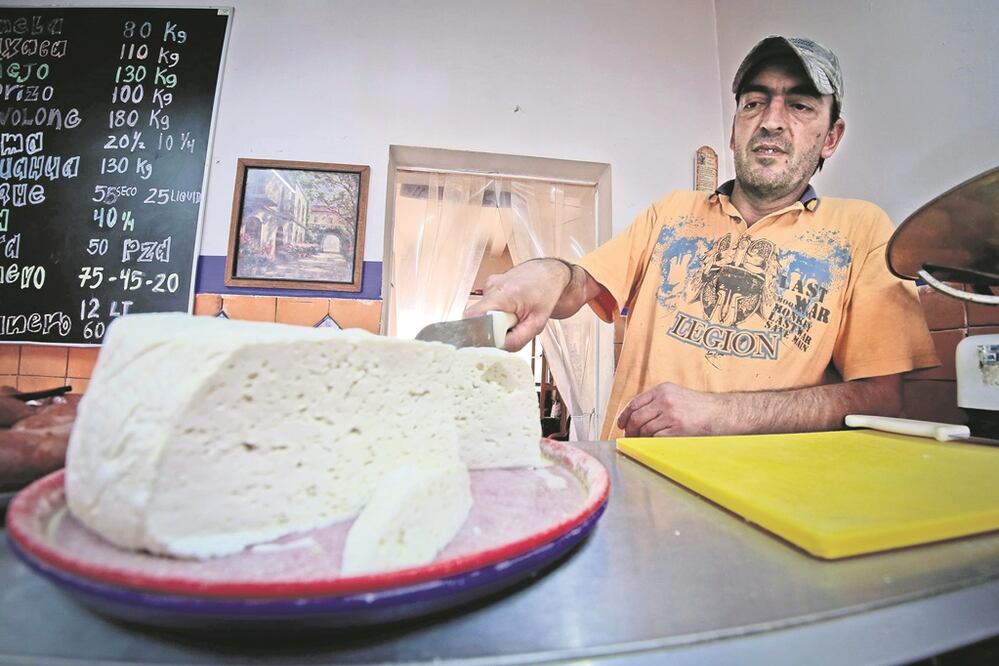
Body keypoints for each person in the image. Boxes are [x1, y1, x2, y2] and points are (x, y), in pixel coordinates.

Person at [466, 35, 939, 440]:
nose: (771, 120)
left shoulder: (861, 230)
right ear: (734, 130)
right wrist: (546, 273)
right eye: (754, 103)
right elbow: (579, 285)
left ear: (831, 138)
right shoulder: (672, 214)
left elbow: (882, 398)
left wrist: (722, 415)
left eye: (799, 105)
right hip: (633, 480)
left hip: (770, 503)